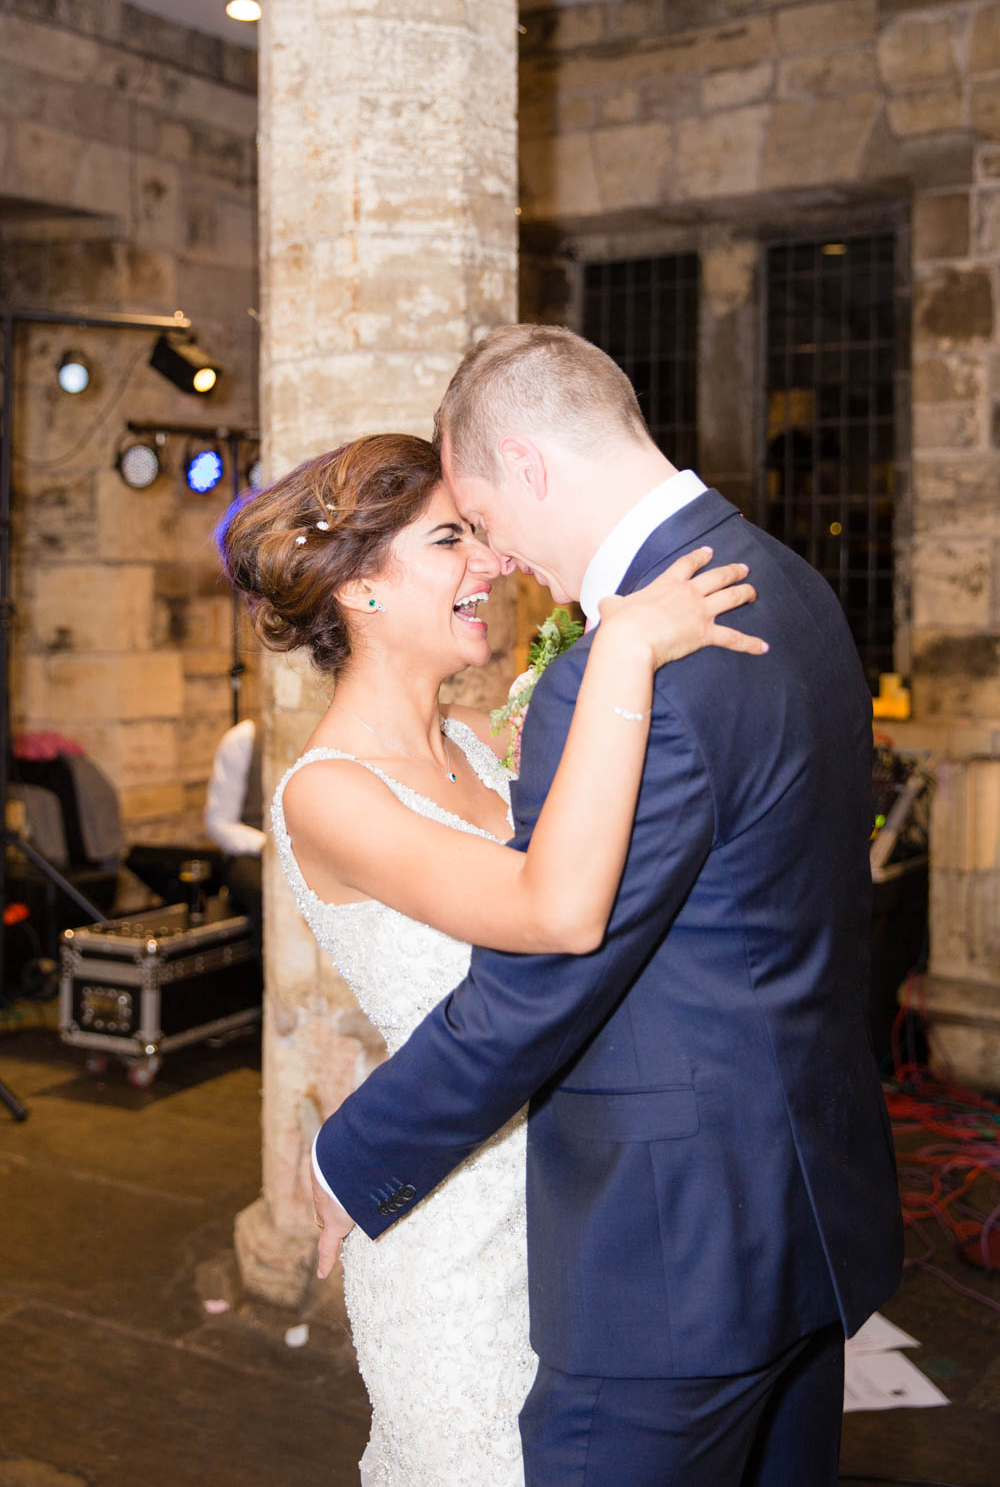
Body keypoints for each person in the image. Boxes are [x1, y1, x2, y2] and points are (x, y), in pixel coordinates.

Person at [311, 327, 904, 1486]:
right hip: (807, 1211)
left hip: (670, 1260)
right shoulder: (791, 583)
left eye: (479, 516)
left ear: (527, 467)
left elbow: (549, 970)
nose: (498, 555)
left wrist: (350, 1159)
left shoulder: (629, 662)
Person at [217, 431, 765, 1486]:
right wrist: (618, 651)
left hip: (569, 1194)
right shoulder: (326, 794)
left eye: (482, 535)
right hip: (452, 1224)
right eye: (450, 541)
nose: (494, 564)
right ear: (361, 589)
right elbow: (547, 913)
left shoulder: (474, 742)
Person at [203, 717, 264, 936]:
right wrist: (266, 845)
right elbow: (218, 821)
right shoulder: (243, 739)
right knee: (266, 892)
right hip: (252, 853)